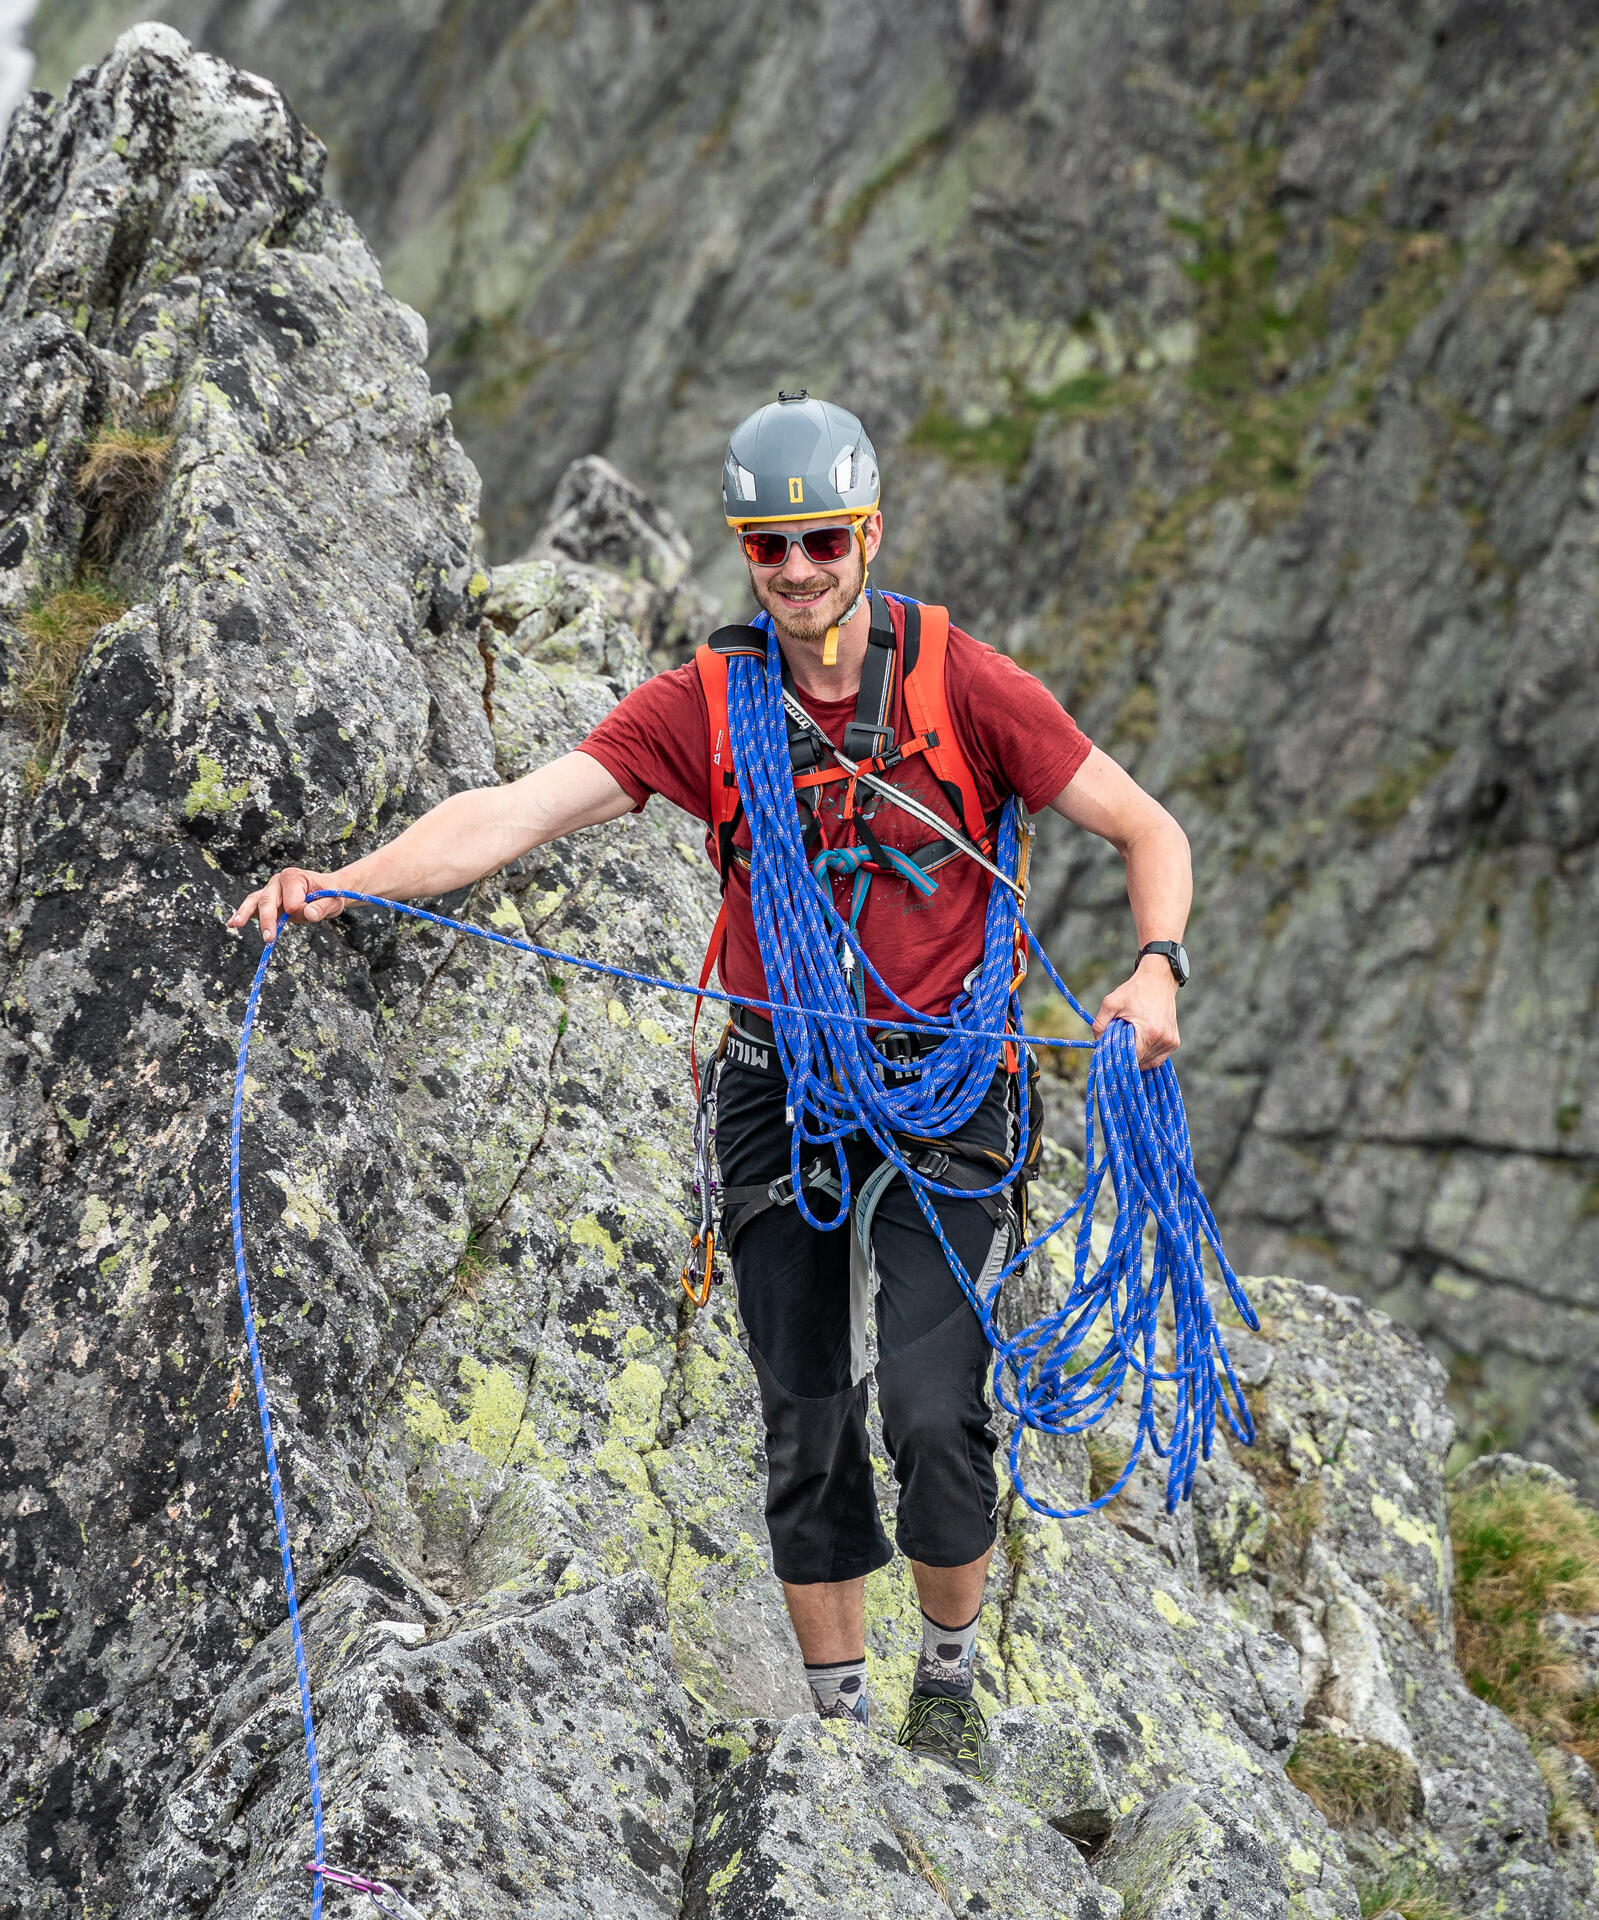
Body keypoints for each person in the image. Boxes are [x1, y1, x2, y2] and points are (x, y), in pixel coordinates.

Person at [230, 392, 1192, 1780]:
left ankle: (946, 1677)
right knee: (806, 1415)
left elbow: (1146, 827)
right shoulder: (709, 707)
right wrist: (344, 883)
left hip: (949, 1088)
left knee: (934, 1411)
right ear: (747, 552)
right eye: (769, 547)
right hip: (777, 1089)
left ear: (867, 535)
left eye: (821, 541)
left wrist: (1155, 968)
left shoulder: (967, 688)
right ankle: (840, 1730)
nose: (797, 571)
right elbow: (515, 812)